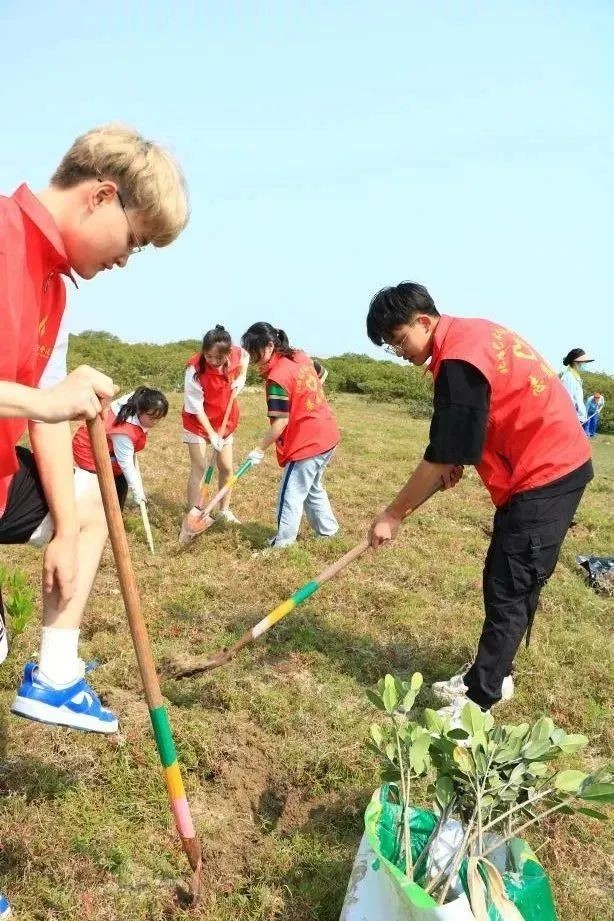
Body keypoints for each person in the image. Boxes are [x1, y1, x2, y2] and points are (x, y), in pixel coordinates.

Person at [0, 124, 189, 741]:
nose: (125, 259)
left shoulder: (55, 289)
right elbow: (44, 402)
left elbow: (47, 416)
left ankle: (56, 676)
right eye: (133, 240)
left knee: (91, 508)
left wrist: (62, 528)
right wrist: (44, 400)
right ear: (102, 196)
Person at [365, 282, 593, 719]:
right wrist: (457, 459)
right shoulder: (469, 335)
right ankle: (491, 674)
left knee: (511, 586)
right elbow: (469, 432)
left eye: (399, 340)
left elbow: (439, 455)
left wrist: (393, 514)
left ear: (423, 321)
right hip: (538, 466)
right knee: (503, 577)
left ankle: (479, 703)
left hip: (547, 472)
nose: (400, 352)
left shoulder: (459, 358)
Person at [241, 323, 340, 547]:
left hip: (307, 443)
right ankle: (329, 532)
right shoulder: (299, 356)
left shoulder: (277, 378)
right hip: (327, 434)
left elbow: (280, 422)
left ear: (269, 346)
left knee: (290, 494)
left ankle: (282, 544)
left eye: (255, 352)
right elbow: (322, 374)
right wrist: (305, 399)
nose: (253, 359)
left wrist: (258, 450)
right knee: (312, 487)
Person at [182, 325, 249, 522]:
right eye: (208, 356)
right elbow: (196, 406)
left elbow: (245, 357)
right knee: (200, 466)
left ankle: (224, 511)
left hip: (224, 420)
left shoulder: (236, 353)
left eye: (218, 358)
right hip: (198, 422)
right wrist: (211, 434)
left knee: (226, 468)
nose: (212, 361)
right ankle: (194, 514)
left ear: (228, 353)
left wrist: (242, 376)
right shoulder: (195, 369)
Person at [72, 387, 168, 507]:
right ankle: (97, 512)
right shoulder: (124, 433)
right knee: (99, 487)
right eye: (152, 418)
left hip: (108, 448)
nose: (155, 422)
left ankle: (117, 511)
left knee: (120, 482)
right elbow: (126, 463)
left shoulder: (138, 399)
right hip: (89, 450)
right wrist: (137, 491)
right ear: (139, 410)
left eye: (159, 418)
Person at [560, 348, 594, 425]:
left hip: (578, 419)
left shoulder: (575, 376)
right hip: (573, 419)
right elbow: (568, 400)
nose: (585, 364)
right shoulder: (568, 377)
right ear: (575, 362)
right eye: (583, 362)